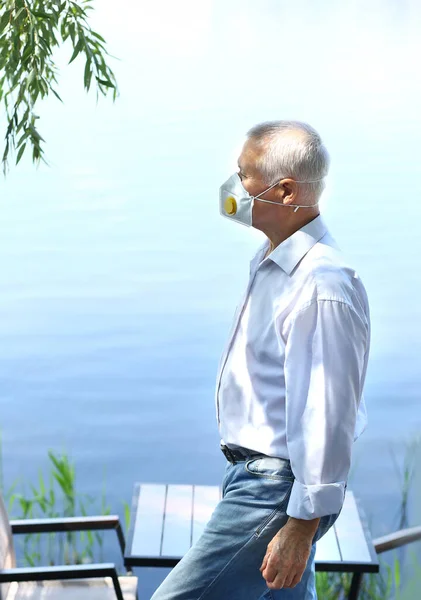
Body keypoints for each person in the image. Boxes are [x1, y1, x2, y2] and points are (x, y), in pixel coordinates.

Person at [151, 120, 371, 599]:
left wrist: (301, 524)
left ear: (286, 191)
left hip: (274, 490)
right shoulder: (272, 264)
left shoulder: (321, 285)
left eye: (245, 175)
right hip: (252, 478)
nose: (234, 187)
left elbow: (327, 414)